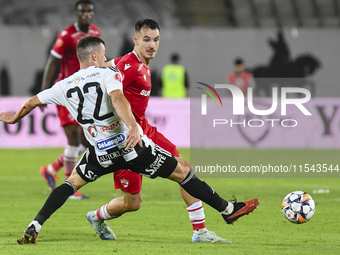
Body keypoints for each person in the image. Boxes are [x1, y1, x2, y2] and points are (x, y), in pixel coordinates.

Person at [0, 36, 259, 245]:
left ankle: (35, 225)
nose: (105, 57)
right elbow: (117, 99)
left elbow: (32, 101)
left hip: (99, 153)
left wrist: (14, 118)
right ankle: (227, 210)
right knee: (183, 172)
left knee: (70, 184)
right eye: (102, 53)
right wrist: (133, 127)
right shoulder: (106, 73)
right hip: (129, 148)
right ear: (94, 56)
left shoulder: (63, 85)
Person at [90, 19, 255, 243]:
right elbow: (104, 83)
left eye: (156, 40)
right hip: (127, 139)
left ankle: (200, 231)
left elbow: (105, 67)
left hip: (145, 130)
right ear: (135, 40)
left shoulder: (137, 64)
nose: (152, 45)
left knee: (185, 167)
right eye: (146, 39)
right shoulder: (129, 67)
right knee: (132, 203)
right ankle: (97, 216)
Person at [39, 0, 100, 199]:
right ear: (76, 14)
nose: (86, 15)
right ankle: (70, 187)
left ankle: (51, 168)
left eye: (89, 11)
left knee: (87, 140)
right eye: (82, 12)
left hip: (86, 93)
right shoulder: (66, 35)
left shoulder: (96, 33)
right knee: (73, 138)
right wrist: (44, 91)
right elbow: (52, 61)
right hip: (67, 92)